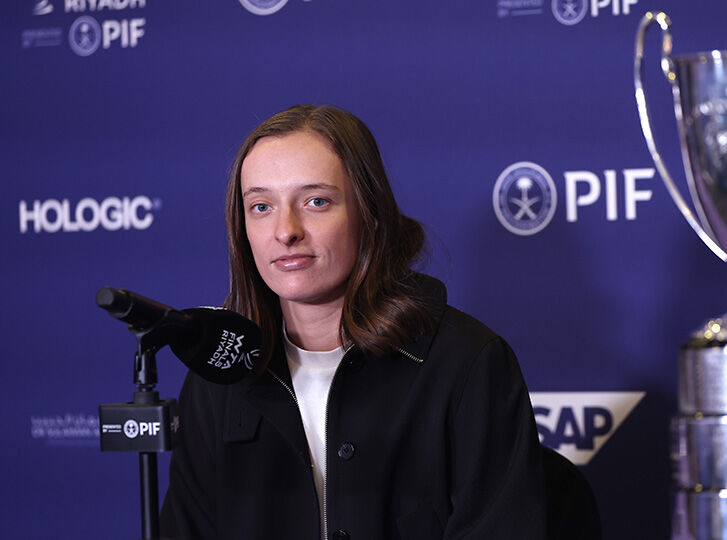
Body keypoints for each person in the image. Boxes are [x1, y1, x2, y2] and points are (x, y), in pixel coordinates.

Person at [159, 105, 547, 540]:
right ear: (241, 228)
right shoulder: (219, 379)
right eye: (261, 206)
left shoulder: (466, 363)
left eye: (316, 201)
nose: (286, 230)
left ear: (370, 214)